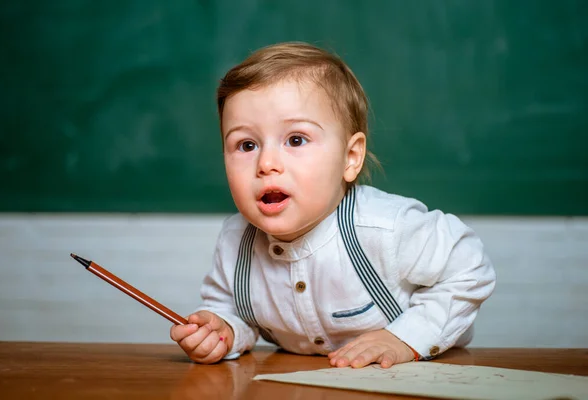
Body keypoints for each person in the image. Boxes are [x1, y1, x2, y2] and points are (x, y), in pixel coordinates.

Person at [170, 41, 496, 369]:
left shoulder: (385, 228)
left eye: (296, 140)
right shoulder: (234, 242)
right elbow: (232, 312)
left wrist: (404, 338)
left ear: (350, 158)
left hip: (407, 378)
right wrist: (222, 332)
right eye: (246, 144)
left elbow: (468, 265)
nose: (266, 163)